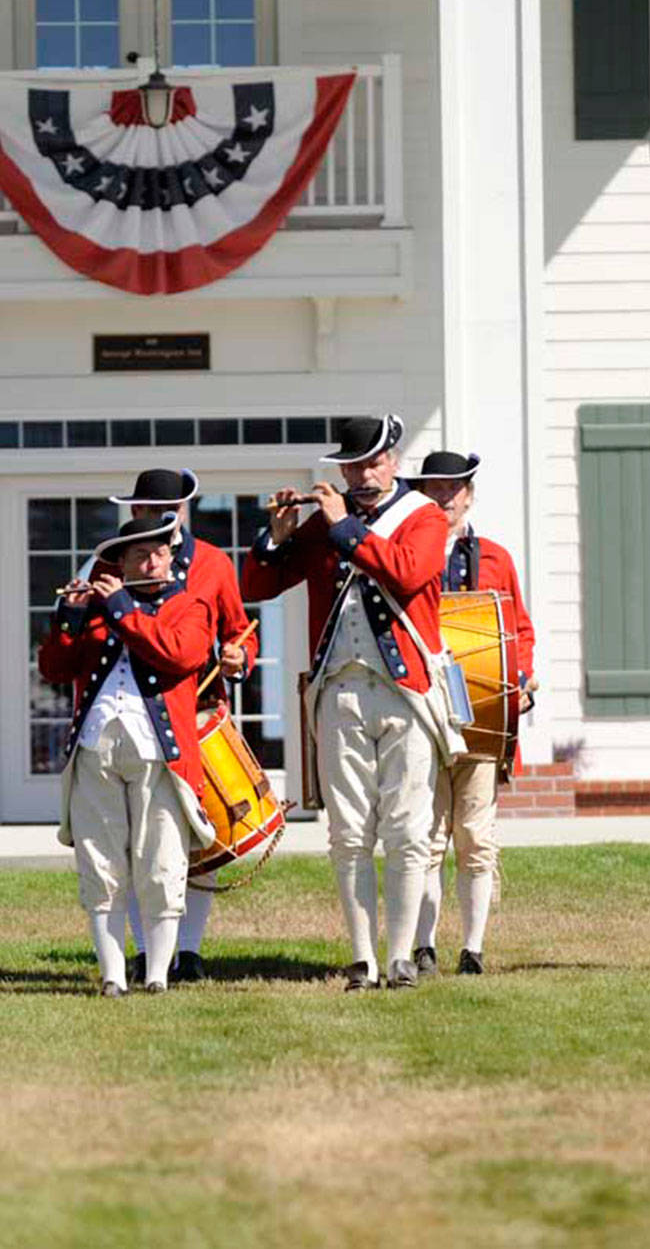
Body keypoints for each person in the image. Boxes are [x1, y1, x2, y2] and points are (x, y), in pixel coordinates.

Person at [240, 415, 459, 990]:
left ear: (393, 462)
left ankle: (402, 956)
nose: (362, 475)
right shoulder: (327, 522)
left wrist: (341, 527)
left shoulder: (424, 516)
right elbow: (257, 587)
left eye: (372, 463)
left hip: (405, 691)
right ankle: (363, 958)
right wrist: (277, 537)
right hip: (339, 689)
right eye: (353, 466)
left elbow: (408, 572)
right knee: (349, 831)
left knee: (408, 828)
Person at [39, 513, 218, 997]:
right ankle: (113, 976)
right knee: (101, 866)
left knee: (161, 862)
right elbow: (54, 668)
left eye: (160, 553)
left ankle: (158, 973)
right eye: (142, 555)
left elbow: (180, 654)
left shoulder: (190, 606)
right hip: (95, 747)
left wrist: (120, 608)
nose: (154, 562)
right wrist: (69, 618)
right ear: (121, 564)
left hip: (160, 754)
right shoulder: (98, 610)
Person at [111, 468, 258, 986]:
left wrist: (241, 656)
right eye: (146, 509)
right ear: (134, 512)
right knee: (135, 840)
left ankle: (189, 950)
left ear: (184, 510)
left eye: (166, 509)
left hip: (196, 712)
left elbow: (240, 631)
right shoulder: (115, 561)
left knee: (200, 839)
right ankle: (145, 951)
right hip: (134, 713)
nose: (156, 517)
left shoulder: (214, 562)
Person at [400, 451, 536, 977]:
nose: (444, 498)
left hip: (481, 712)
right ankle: (424, 946)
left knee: (476, 835)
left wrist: (519, 683)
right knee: (427, 835)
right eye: (433, 488)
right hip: (425, 713)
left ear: (469, 495)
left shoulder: (496, 558)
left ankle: (473, 950)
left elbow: (518, 631)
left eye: (453, 488)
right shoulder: (407, 553)